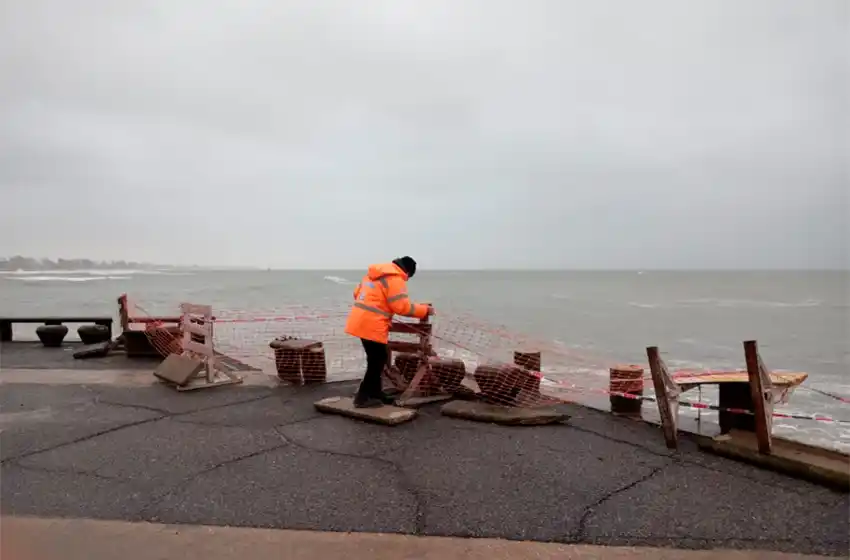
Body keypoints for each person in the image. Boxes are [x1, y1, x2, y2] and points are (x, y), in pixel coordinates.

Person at [344, 256, 434, 408]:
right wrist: (425, 310)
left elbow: (356, 293)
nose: (407, 280)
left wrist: (380, 304)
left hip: (359, 320)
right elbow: (401, 307)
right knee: (377, 360)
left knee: (376, 358)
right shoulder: (395, 279)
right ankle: (362, 397)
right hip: (372, 324)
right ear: (408, 271)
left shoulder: (372, 275)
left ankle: (376, 393)